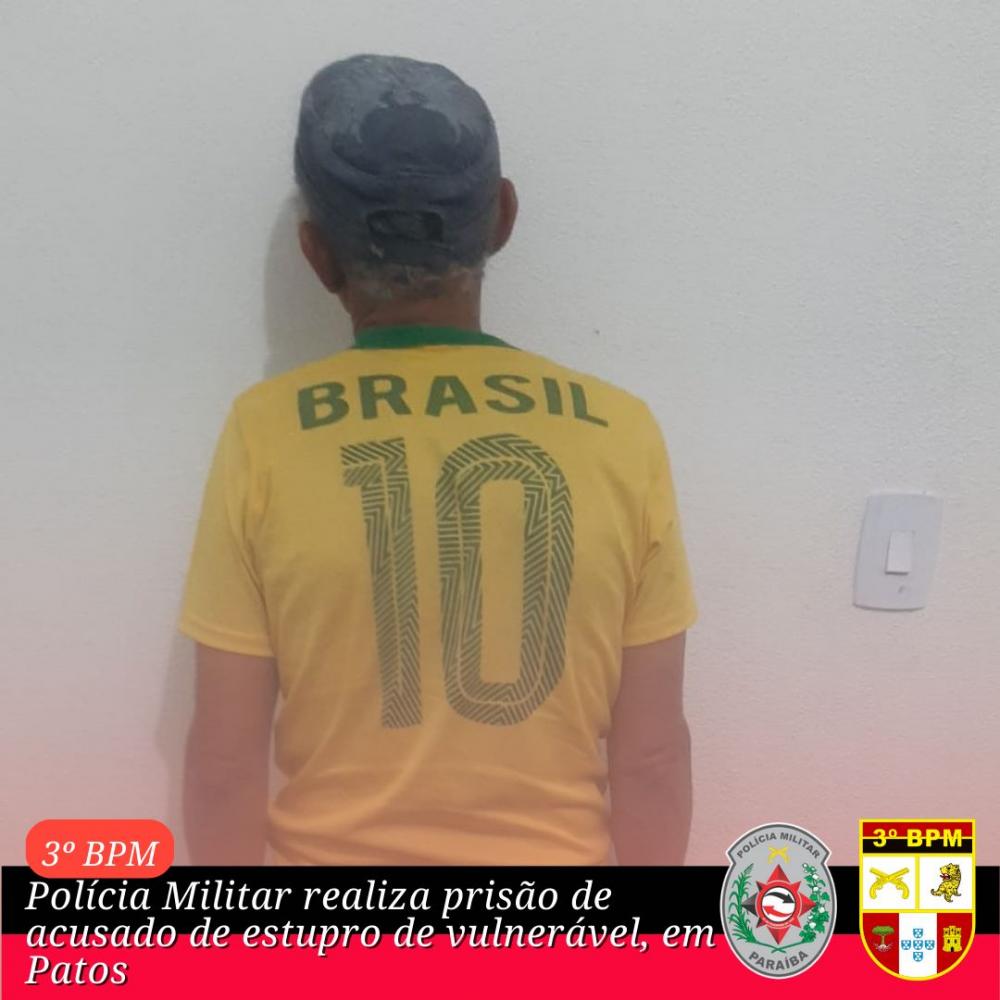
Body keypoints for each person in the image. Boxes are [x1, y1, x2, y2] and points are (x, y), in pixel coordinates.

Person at [179, 53, 697, 866]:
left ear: (317, 255)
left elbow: (223, 768)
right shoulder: (620, 433)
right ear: (503, 218)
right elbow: (653, 761)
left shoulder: (264, 433)